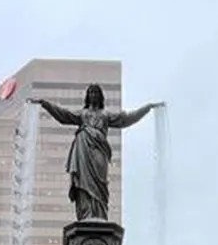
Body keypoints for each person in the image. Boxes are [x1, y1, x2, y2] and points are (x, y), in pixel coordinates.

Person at [29, 85, 163, 221]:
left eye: (96, 93)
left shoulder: (106, 114)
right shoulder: (82, 113)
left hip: (100, 151)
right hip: (83, 151)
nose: (93, 95)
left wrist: (147, 108)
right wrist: (45, 104)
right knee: (83, 182)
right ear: (87, 96)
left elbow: (126, 119)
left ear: (100, 96)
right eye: (90, 93)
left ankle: (99, 215)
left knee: (100, 183)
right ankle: (86, 214)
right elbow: (63, 115)